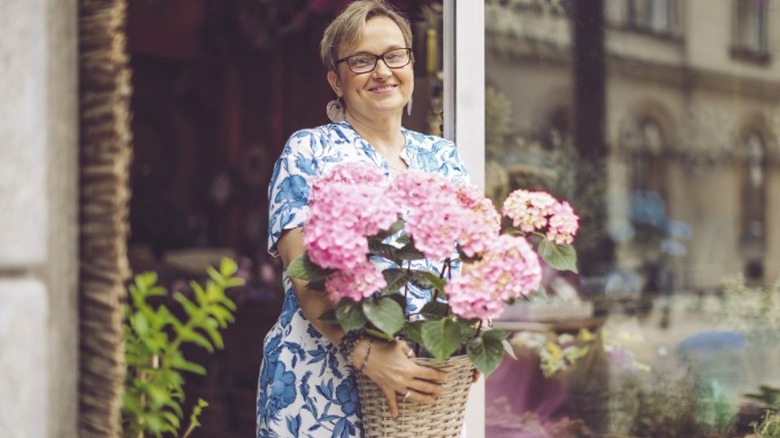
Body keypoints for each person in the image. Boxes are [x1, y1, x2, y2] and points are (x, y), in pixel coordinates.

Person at [256, 1, 470, 436]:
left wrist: (463, 349)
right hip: (318, 384)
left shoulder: (442, 158)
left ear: (411, 62)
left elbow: (466, 272)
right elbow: (305, 278)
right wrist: (370, 355)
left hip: (417, 400)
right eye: (361, 61)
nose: (383, 71)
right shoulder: (308, 152)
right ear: (336, 80)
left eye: (395, 55)